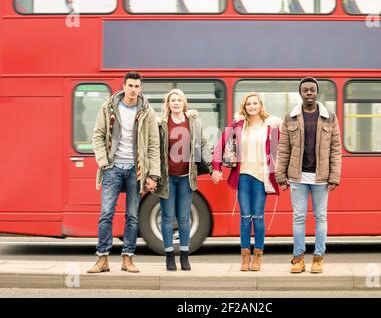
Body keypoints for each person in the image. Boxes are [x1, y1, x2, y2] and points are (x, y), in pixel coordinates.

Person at [88, 72, 160, 273]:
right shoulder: (109, 107)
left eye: (137, 86)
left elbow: (154, 144)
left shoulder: (148, 112)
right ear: (124, 86)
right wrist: (103, 162)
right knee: (106, 214)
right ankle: (102, 259)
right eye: (130, 86)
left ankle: (127, 258)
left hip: (135, 171)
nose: (134, 90)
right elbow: (98, 135)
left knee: (132, 216)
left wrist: (153, 174)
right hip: (113, 169)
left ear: (140, 88)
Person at [276, 77, 342, 274]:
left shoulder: (330, 117)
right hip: (298, 177)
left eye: (312, 89)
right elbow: (283, 148)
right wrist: (281, 175)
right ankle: (298, 258)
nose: (309, 93)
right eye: (305, 90)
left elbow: (335, 149)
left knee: (321, 217)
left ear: (317, 92)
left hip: (321, 178)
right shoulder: (290, 117)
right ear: (300, 93)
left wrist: (334, 176)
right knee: (298, 218)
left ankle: (318, 258)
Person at [212, 92, 282, 272]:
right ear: (245, 106)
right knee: (245, 217)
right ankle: (244, 257)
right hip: (243, 175)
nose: (252, 106)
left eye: (255, 103)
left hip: (261, 177)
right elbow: (220, 146)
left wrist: (283, 175)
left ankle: (258, 256)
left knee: (258, 216)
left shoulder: (271, 126)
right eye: (249, 104)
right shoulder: (238, 126)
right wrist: (217, 168)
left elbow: (281, 151)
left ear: (260, 105)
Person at [154, 89, 213, 271]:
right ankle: (170, 256)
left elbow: (202, 144)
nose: (176, 103)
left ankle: (185, 257)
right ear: (168, 104)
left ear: (184, 103)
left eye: (179, 100)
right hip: (167, 179)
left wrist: (211, 167)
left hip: (186, 178)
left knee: (184, 218)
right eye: (173, 100)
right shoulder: (161, 123)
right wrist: (153, 175)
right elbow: (155, 149)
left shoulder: (193, 122)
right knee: (167, 218)